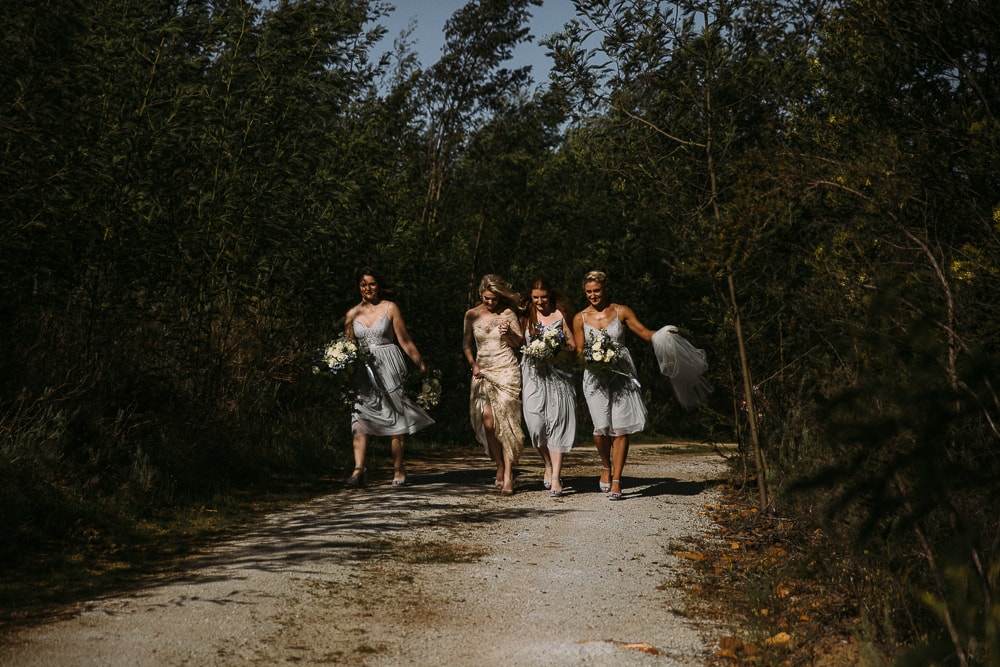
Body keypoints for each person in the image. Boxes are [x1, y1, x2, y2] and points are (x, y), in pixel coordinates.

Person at [344, 267, 433, 487]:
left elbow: (404, 340)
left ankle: (398, 468)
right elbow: (347, 347)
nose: (368, 288)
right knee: (360, 417)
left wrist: (420, 363)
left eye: (372, 284)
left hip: (389, 365)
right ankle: (358, 469)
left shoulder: (390, 308)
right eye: (364, 284)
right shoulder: (351, 314)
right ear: (359, 287)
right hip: (363, 371)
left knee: (395, 415)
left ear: (379, 286)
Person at [572, 270, 654, 500]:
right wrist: (595, 359)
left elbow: (644, 332)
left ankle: (617, 479)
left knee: (620, 427)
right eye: (588, 292)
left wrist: (664, 335)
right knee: (600, 429)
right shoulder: (580, 318)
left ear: (605, 289)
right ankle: (605, 465)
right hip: (594, 377)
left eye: (597, 290)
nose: (593, 295)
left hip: (621, 376)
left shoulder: (621, 311)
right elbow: (579, 351)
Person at [463, 274, 525, 496]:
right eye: (487, 298)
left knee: (506, 420)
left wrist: (509, 334)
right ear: (481, 295)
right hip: (483, 370)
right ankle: (499, 463)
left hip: (507, 369)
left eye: (495, 299)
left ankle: (509, 474)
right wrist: (473, 365)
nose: (491, 303)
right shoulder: (471, 315)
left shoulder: (508, 314)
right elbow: (466, 345)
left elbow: (520, 343)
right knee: (488, 422)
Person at [519, 278, 577, 497]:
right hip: (533, 375)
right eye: (536, 297)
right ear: (531, 297)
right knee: (535, 424)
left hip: (558, 375)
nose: (540, 301)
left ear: (550, 296)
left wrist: (556, 346)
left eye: (543, 297)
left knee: (557, 422)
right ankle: (547, 462)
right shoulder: (526, 316)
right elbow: (518, 342)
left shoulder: (560, 315)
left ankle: (556, 477)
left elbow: (572, 344)